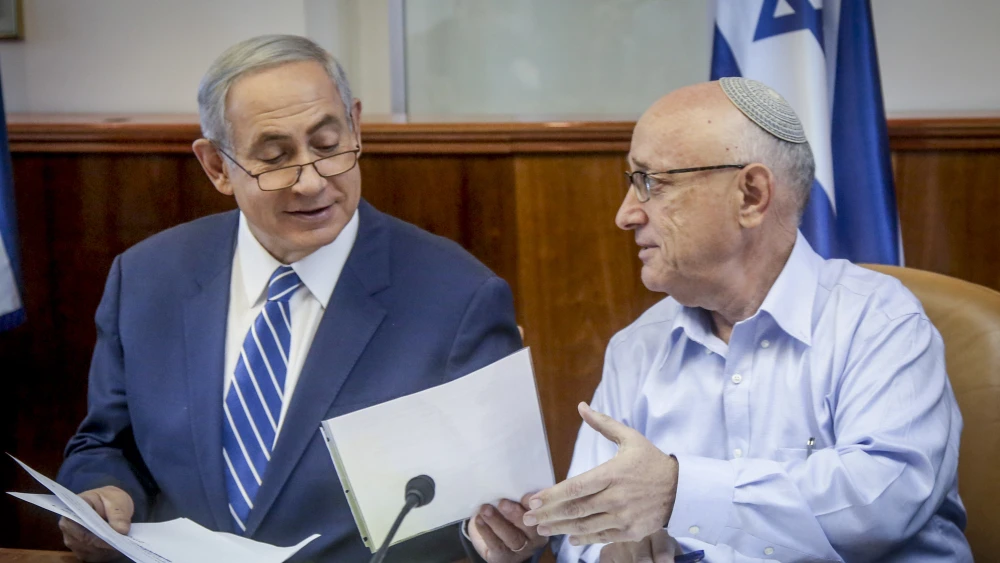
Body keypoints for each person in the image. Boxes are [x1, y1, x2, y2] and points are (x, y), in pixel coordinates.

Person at [55, 34, 521, 562]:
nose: (311, 181)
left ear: (357, 126)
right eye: (275, 158)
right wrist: (103, 496)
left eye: (327, 145)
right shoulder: (146, 279)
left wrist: (500, 538)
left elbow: (497, 517)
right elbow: (106, 446)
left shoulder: (458, 297)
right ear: (216, 167)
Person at [471, 78, 972, 562]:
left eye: (653, 182)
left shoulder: (878, 320)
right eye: (632, 183)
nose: (626, 215)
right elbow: (580, 537)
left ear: (751, 195)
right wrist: (604, 551)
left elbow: (883, 504)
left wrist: (679, 492)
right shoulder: (638, 348)